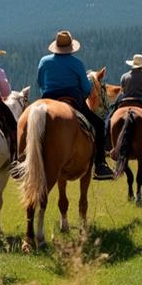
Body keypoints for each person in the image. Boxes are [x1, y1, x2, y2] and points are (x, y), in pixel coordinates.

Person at [18, 30, 114, 181]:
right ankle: (100, 164)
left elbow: (40, 82)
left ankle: (19, 161)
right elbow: (86, 88)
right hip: (73, 101)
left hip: (48, 98)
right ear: (71, 47)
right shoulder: (77, 63)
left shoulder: (44, 61)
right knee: (100, 124)